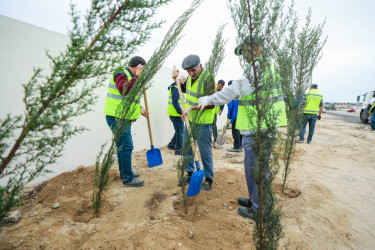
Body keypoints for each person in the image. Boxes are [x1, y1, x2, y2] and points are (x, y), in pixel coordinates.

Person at [197, 36, 287, 219]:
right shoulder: (266, 65)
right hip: (260, 127)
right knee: (255, 168)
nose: (244, 56)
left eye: (246, 50)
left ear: (257, 48)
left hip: (258, 129)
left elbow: (234, 89)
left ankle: (259, 208)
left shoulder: (259, 67)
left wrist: (209, 99)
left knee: (256, 170)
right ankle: (255, 200)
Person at [104, 56, 149, 187]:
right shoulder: (121, 73)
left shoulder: (129, 76)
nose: (143, 72)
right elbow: (124, 90)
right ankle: (128, 179)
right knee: (127, 145)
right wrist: (137, 77)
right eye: (142, 69)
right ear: (137, 67)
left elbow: (129, 99)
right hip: (117, 118)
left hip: (123, 117)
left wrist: (140, 109)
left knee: (122, 146)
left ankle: (124, 173)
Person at [178, 54, 216, 191]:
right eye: (188, 72)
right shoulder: (189, 78)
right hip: (190, 120)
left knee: (205, 152)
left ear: (200, 66)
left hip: (203, 122)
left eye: (193, 70)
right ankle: (189, 173)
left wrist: (191, 108)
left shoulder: (208, 78)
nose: (191, 73)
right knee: (186, 147)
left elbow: (212, 103)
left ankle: (208, 178)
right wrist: (176, 80)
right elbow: (187, 91)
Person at [167, 74, 187, 155]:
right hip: (176, 114)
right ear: (180, 80)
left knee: (178, 131)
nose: (185, 82)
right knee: (180, 131)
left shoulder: (179, 88)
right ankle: (179, 150)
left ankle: (171, 145)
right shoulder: (175, 89)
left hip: (176, 114)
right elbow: (175, 102)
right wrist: (180, 112)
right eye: (185, 81)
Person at [226, 80, 242, 152]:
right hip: (241, 115)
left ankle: (237, 147)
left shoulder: (232, 94)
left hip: (235, 115)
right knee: (240, 130)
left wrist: (229, 117)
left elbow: (230, 106)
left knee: (235, 131)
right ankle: (240, 145)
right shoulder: (240, 93)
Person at [212, 80, 225, 146]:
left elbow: (222, 103)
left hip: (214, 113)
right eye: (219, 86)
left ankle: (215, 140)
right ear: (217, 84)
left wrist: (221, 110)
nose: (220, 88)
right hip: (209, 112)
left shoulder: (221, 94)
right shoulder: (212, 90)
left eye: (222, 87)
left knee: (214, 126)